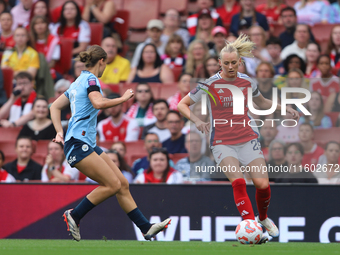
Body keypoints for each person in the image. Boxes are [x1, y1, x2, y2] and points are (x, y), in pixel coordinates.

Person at [177, 34, 300, 243]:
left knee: (262, 185)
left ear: (239, 62)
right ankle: (251, 226)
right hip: (222, 142)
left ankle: (263, 219)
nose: (230, 66)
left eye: (234, 63)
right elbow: (181, 104)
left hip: (247, 138)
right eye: (226, 63)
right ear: (219, 63)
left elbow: (261, 103)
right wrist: (197, 120)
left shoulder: (247, 81)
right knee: (239, 181)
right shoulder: (209, 84)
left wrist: (283, 108)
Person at [50, 45, 170, 241]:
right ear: (102, 61)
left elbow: (54, 106)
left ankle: (145, 228)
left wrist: (59, 131)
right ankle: (75, 215)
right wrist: (123, 98)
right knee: (112, 184)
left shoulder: (77, 82)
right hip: (79, 143)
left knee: (122, 183)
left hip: (83, 142)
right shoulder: (91, 79)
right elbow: (98, 103)